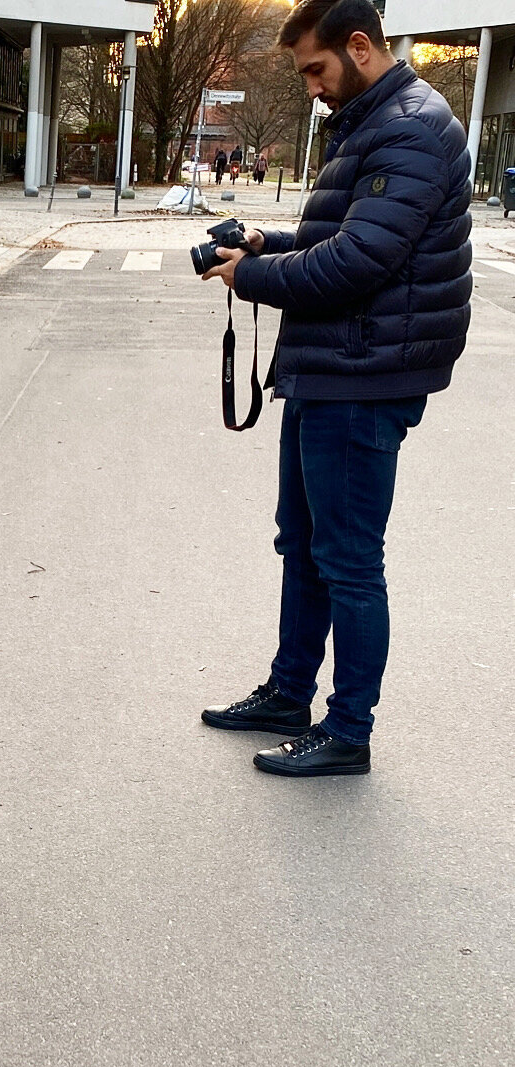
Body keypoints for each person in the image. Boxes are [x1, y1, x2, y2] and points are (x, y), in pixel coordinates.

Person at [199, 0, 471, 776]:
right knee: (304, 545)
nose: (312, 87)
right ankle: (290, 693)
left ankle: (347, 731)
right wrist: (263, 240)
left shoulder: (412, 125)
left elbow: (358, 264)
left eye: (316, 69)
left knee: (348, 559)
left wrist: (250, 276)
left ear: (359, 46)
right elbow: (343, 237)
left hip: (363, 374)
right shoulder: (369, 120)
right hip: (331, 367)